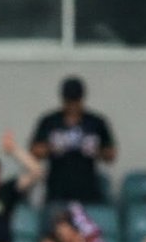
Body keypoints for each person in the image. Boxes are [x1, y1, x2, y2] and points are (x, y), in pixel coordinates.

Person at [29, 76, 116, 205]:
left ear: (82, 99)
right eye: (69, 101)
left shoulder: (96, 122)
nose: (72, 105)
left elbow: (111, 155)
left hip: (88, 191)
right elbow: (34, 151)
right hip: (57, 192)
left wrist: (95, 150)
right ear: (63, 99)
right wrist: (52, 147)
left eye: (76, 100)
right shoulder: (50, 121)